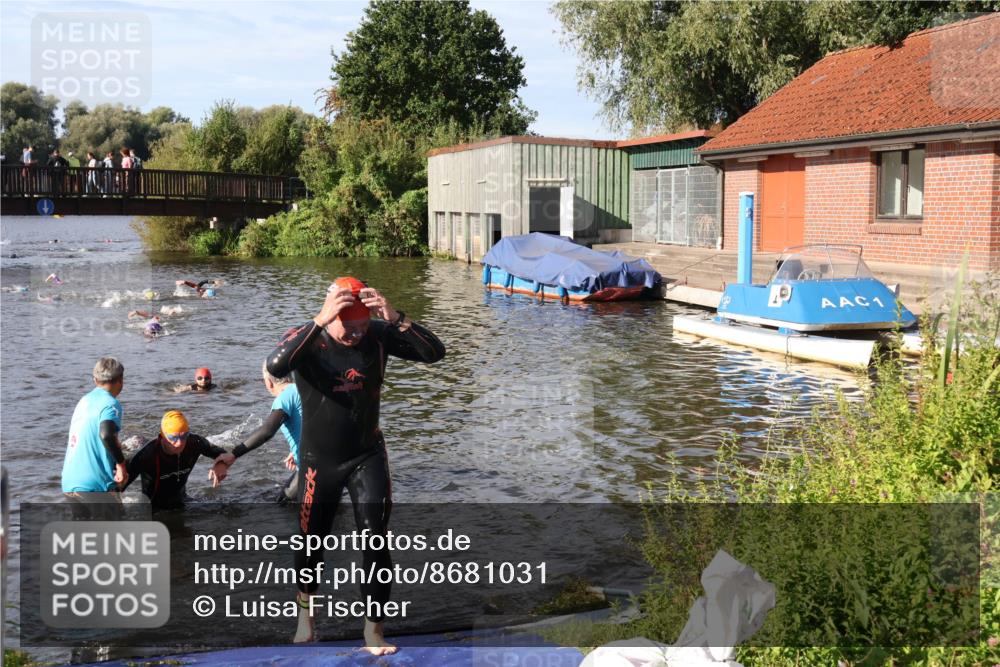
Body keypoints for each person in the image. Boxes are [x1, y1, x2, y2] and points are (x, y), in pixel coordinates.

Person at [267, 276, 446, 651]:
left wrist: (396, 318)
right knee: (311, 543)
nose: (356, 336)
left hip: (366, 454)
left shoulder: (378, 334)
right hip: (319, 461)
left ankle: (373, 630)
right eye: (348, 329)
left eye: (362, 327)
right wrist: (318, 320)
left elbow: (434, 353)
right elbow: (276, 364)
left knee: (375, 539)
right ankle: (306, 618)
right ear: (331, 317)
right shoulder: (309, 337)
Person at [123, 410, 233, 511]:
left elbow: (224, 454)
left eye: (184, 436)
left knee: (228, 508)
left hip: (181, 501)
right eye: (173, 438)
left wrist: (221, 464)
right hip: (153, 509)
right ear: (162, 436)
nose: (179, 443)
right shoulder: (147, 455)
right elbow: (119, 485)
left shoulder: (195, 443)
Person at [230, 360, 303, 503]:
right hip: (337, 459)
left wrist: (233, 454)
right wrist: (297, 448)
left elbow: (267, 431)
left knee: (284, 503)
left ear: (268, 382)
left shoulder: (284, 397)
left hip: (314, 466)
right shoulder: (305, 389)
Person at [61, 357, 128, 501]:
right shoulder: (111, 404)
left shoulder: (83, 401)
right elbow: (106, 435)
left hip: (70, 484)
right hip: (95, 486)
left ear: (94, 380)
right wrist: (121, 464)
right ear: (120, 380)